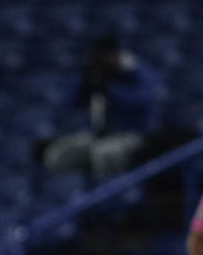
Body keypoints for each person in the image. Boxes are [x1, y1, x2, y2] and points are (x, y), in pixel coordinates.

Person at [42, 35, 162, 177]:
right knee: (56, 155)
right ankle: (71, 193)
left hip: (133, 135)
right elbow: (71, 103)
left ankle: (107, 195)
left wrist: (110, 89)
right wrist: (85, 84)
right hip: (99, 135)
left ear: (115, 54)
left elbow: (144, 100)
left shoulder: (135, 71)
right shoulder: (100, 72)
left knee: (102, 154)